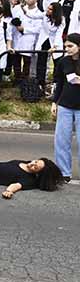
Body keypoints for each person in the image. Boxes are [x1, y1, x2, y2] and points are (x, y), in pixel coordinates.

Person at [51, 32, 80, 183]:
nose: (67, 49)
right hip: (65, 105)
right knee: (61, 140)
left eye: (70, 46)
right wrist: (54, 102)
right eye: (65, 46)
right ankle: (63, 172)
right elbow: (59, 83)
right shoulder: (63, 61)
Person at [36, 2, 63, 86]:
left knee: (57, 63)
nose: (48, 10)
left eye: (51, 9)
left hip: (55, 41)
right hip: (44, 40)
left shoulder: (61, 19)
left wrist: (55, 46)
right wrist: (24, 8)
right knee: (41, 62)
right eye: (48, 8)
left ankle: (56, 83)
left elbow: (59, 33)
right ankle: (40, 83)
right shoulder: (44, 15)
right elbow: (33, 15)